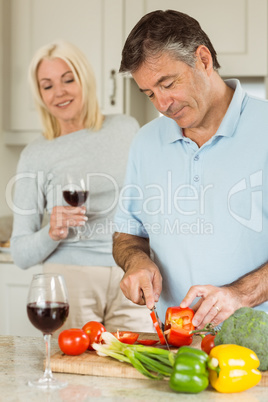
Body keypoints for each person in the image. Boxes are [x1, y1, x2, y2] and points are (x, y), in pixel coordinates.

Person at [112, 9, 268, 330]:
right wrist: (137, 262)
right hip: (177, 343)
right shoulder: (145, 142)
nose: (162, 104)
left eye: (168, 83)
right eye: (150, 93)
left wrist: (239, 294)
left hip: (258, 344)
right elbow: (128, 234)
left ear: (203, 60)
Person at [10, 40, 153, 333]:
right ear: (40, 95)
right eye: (47, 85)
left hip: (131, 272)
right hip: (70, 279)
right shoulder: (36, 154)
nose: (59, 91)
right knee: (75, 374)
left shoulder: (126, 128)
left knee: (138, 372)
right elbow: (21, 254)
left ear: (84, 79)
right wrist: (52, 231)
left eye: (68, 79)